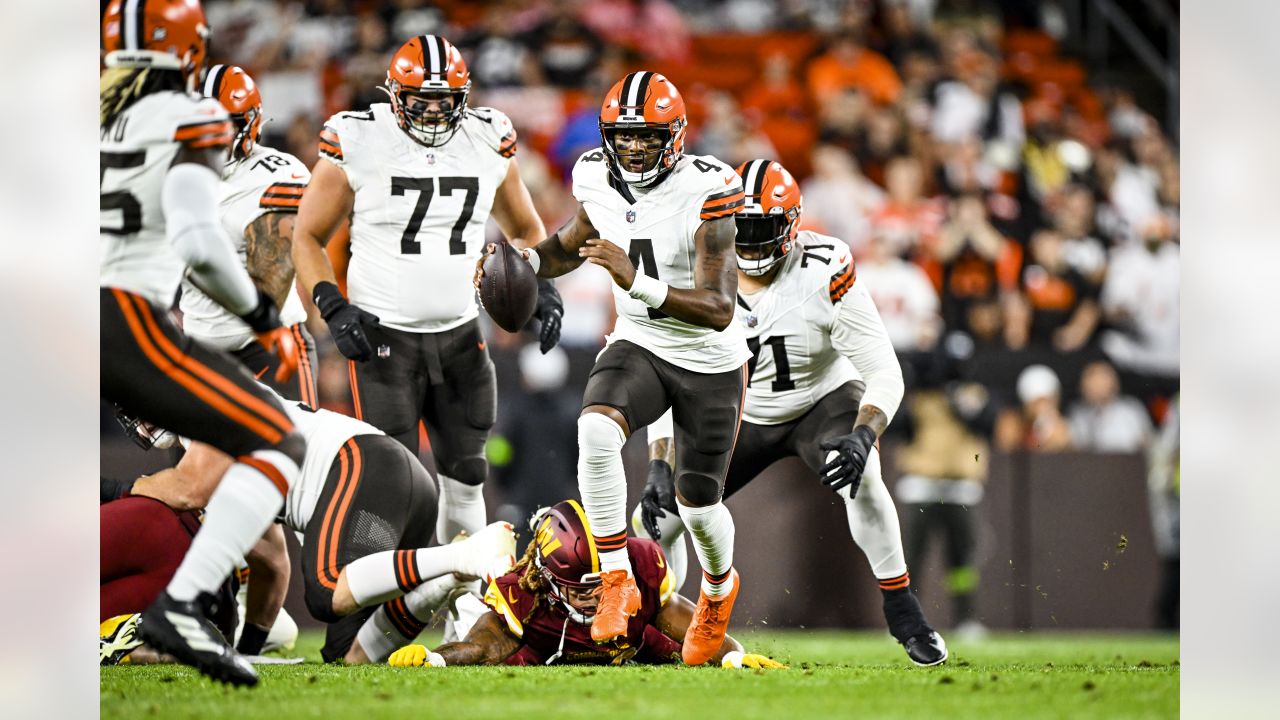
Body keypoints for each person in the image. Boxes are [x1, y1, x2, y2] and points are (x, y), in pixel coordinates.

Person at [481, 71, 750, 664]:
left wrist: (636, 280)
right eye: (622, 136)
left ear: (675, 137)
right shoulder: (596, 176)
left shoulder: (709, 190)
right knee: (595, 428)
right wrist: (523, 261)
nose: (632, 148)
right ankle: (616, 579)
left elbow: (719, 307)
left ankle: (718, 587)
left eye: (646, 137)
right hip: (641, 340)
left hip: (708, 357)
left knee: (699, 507)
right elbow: (570, 243)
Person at [635, 159, 947, 666]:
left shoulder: (826, 267)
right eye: (741, 228)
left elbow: (884, 370)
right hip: (735, 410)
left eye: (763, 229)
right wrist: (657, 463)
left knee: (863, 476)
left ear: (793, 226)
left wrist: (863, 436)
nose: (751, 243)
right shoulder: (693, 268)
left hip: (820, 400)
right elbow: (668, 374)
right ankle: (654, 622)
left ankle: (902, 605)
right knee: (656, 516)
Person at [100, 0, 305, 686]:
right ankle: (180, 606)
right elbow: (196, 239)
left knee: (255, 522)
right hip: (133, 317)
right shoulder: (183, 118)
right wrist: (262, 317)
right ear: (187, 52)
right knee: (270, 443)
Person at [291, 34, 564, 547]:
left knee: (467, 478)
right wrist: (332, 304)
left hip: (461, 336)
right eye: (423, 100)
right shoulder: (360, 139)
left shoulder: (487, 137)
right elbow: (306, 236)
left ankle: (463, 607)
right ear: (395, 95)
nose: (435, 113)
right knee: (394, 483)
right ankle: (389, 610)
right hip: (384, 342)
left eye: (446, 101)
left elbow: (526, 230)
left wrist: (540, 286)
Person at [103, 389, 520, 665]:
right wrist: (247, 651)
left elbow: (185, 491)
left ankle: (465, 554)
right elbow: (272, 561)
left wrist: (110, 489)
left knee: (326, 590)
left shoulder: (203, 402)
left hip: (363, 464)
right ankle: (446, 577)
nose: (140, 423)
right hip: (393, 477)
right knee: (348, 656)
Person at [386, 500, 782, 668]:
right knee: (495, 644)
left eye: (601, 583)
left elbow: (695, 630)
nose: (595, 596)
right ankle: (457, 577)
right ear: (548, 580)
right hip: (539, 650)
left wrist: (733, 656)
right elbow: (479, 646)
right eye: (581, 587)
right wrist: (436, 656)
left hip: (626, 647)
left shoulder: (639, 567)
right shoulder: (527, 594)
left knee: (667, 648)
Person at [180, 65, 318, 402]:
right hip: (198, 353)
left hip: (268, 348)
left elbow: (269, 288)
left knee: (289, 454)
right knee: (186, 458)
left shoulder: (275, 175)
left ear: (251, 124)